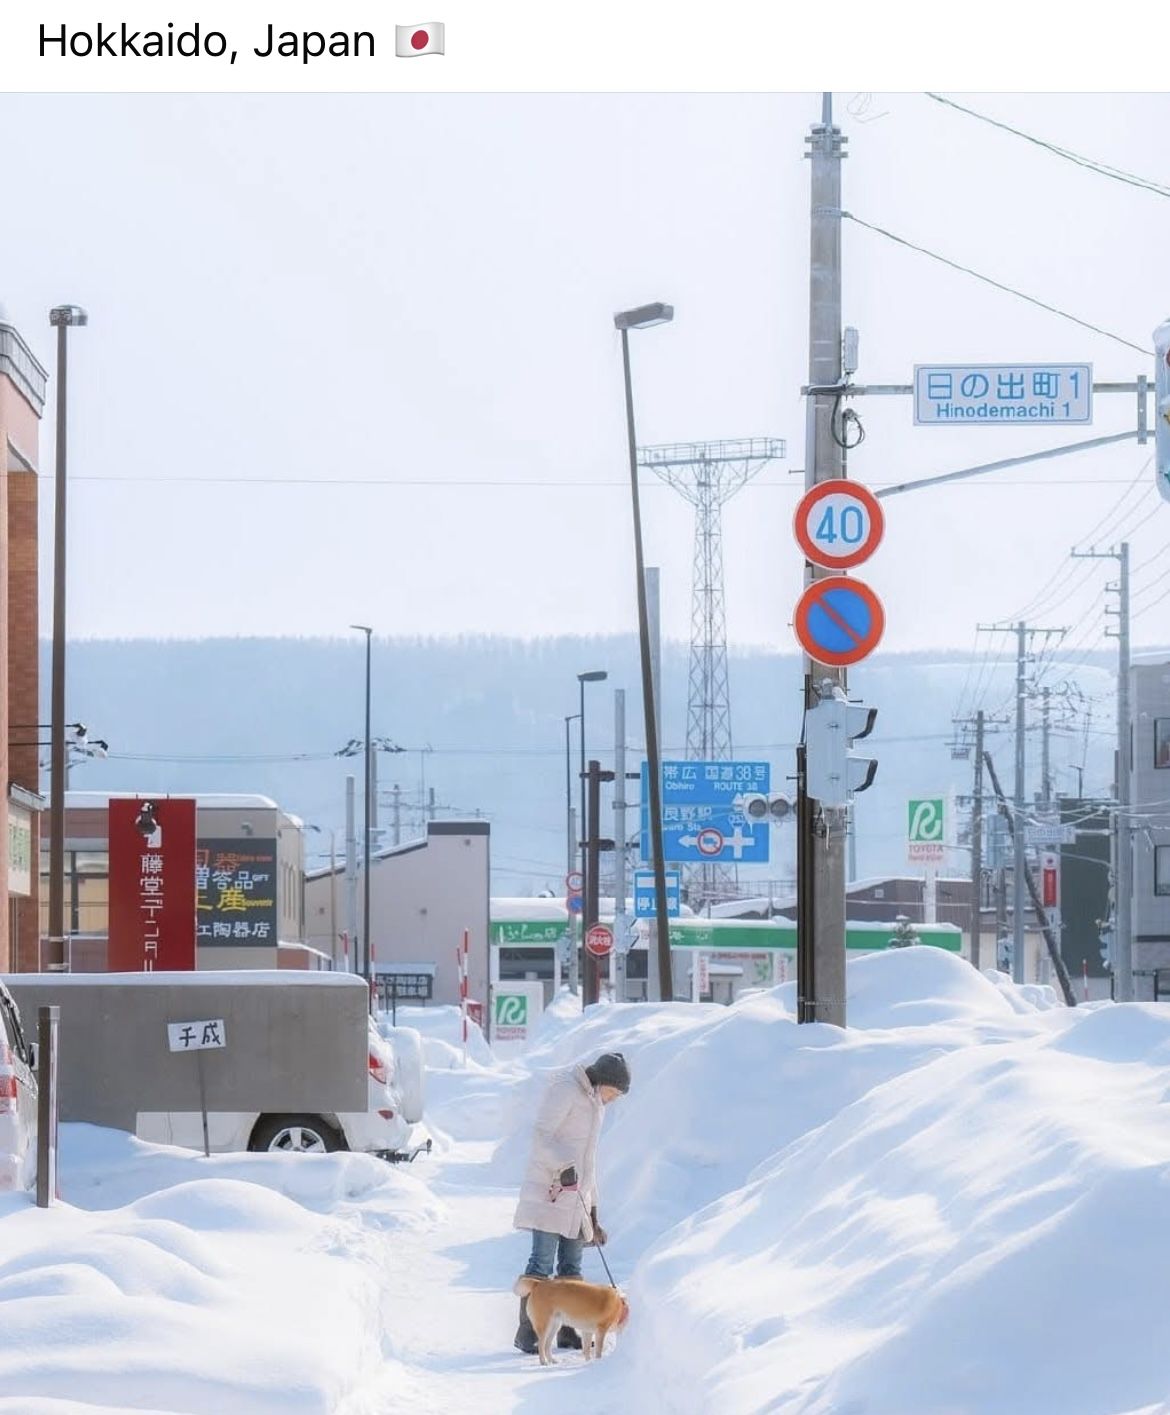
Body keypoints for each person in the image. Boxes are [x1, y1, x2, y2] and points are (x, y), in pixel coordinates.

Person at [512, 1051, 630, 1354]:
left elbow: (588, 1162)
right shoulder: (566, 1088)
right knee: (541, 1263)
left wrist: (593, 1210)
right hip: (551, 1190)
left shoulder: (595, 1104)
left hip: (577, 1196)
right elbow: (541, 1135)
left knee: (571, 1266)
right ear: (603, 1081)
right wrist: (563, 1166)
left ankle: (566, 1330)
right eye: (614, 1092)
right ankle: (528, 1332)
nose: (613, 1099)